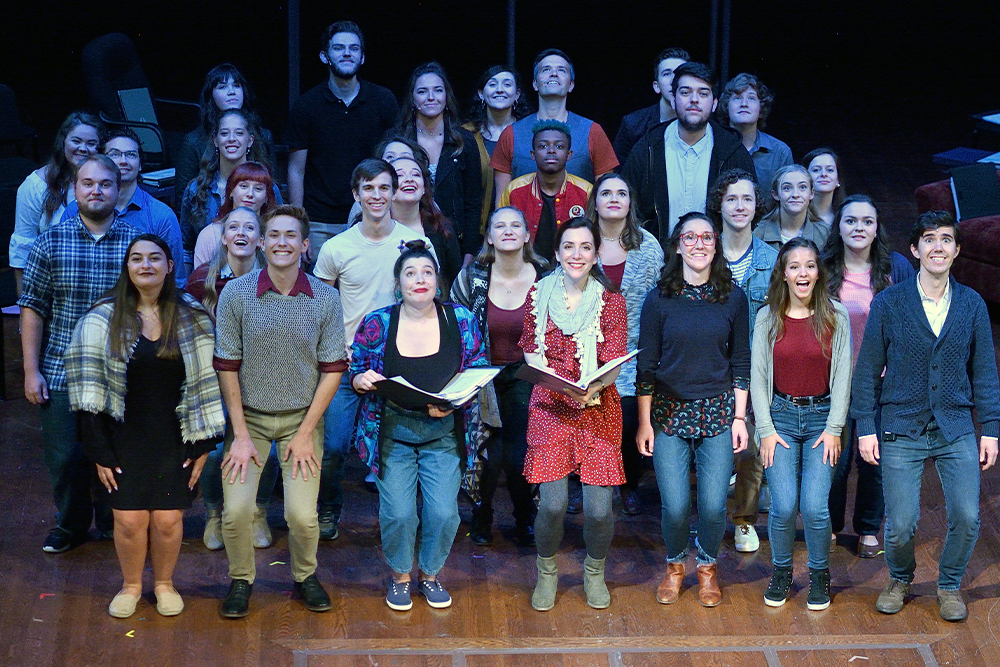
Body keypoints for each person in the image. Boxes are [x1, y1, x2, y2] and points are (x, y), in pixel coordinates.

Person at [65, 234, 224, 618]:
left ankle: (165, 584)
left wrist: (202, 445)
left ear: (170, 265)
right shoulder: (101, 317)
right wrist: (99, 450)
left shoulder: (193, 316)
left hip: (175, 434)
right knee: (129, 519)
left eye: (155, 258)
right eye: (136, 259)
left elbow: (209, 384)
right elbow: (86, 389)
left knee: (169, 520)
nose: (146, 265)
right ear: (127, 267)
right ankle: (131, 585)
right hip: (122, 436)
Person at [852, 211, 1000, 622]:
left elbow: (985, 371)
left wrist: (991, 428)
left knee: (968, 517)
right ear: (915, 250)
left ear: (956, 250)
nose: (938, 247)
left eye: (946, 240)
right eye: (929, 240)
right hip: (902, 425)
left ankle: (949, 584)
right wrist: (866, 426)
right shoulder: (889, 303)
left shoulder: (971, 305)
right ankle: (899, 578)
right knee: (900, 525)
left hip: (954, 426)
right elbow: (867, 372)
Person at [214, 205, 347, 618]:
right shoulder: (236, 294)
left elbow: (332, 370)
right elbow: (227, 366)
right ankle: (241, 579)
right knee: (235, 512)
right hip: (248, 418)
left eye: (291, 235)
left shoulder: (325, 298)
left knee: (302, 516)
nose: (281, 242)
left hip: (300, 420)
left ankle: (305, 575)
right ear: (261, 242)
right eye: (273, 235)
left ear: (305, 246)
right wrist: (238, 434)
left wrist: (307, 430)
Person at [351, 241, 487, 610]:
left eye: (427, 272)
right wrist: (360, 379)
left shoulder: (460, 320)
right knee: (398, 513)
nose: (419, 279)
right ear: (399, 284)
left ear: (438, 280)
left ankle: (429, 574)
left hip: (442, 434)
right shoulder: (378, 321)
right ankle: (400, 577)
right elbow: (356, 365)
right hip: (392, 433)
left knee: (444, 513)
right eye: (410, 274)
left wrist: (455, 401)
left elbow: (478, 368)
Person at [18, 155, 140, 553]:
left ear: (117, 188)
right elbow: (33, 307)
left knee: (115, 455)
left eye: (105, 184)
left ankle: (110, 523)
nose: (96, 190)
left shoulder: (135, 245)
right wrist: (30, 370)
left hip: (118, 371)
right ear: (75, 188)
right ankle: (69, 526)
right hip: (60, 369)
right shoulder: (50, 241)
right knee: (66, 458)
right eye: (87, 183)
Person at [313, 159, 434, 541]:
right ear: (356, 194)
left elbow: (431, 301)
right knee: (333, 447)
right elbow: (321, 306)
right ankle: (329, 509)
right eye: (368, 188)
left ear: (394, 191)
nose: (377, 196)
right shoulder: (336, 247)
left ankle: (399, 521)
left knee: (395, 450)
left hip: (400, 365)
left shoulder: (417, 244)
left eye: (384, 187)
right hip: (349, 365)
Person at [636, 212, 750, 608]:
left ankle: (707, 567)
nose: (698, 244)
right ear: (678, 244)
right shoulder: (659, 298)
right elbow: (645, 364)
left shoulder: (733, 297)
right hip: (668, 414)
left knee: (714, 504)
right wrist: (644, 423)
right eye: (690, 237)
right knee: (676, 505)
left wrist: (740, 417)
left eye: (706, 237)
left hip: (718, 412)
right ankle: (674, 566)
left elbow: (741, 362)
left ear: (716, 244)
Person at [519, 217, 628, 612]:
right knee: (551, 504)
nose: (577, 254)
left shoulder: (611, 301)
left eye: (585, 247)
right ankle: (547, 571)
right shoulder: (538, 295)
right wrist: (559, 386)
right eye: (569, 246)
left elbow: (615, 359)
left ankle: (594, 572)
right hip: (551, 405)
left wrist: (591, 389)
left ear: (596, 254)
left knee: (599, 509)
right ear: (557, 253)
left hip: (597, 406)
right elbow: (531, 349)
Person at [751, 238, 852, 611]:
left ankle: (819, 573)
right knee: (782, 506)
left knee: (813, 506)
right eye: (794, 266)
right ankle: (781, 571)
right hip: (779, 417)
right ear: (784, 273)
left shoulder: (835, 316)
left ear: (818, 272)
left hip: (821, 421)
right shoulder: (767, 317)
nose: (803, 273)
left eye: (809, 265)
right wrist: (765, 429)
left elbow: (843, 377)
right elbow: (758, 376)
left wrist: (834, 428)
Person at [822, 195, 914, 558]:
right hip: (836, 382)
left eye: (867, 222)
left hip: (883, 383)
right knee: (836, 461)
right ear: (839, 227)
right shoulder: (824, 268)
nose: (858, 228)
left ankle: (867, 530)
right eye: (850, 221)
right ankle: (828, 526)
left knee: (874, 460)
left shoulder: (897, 269)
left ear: (877, 229)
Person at [451, 206, 548, 546]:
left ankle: (525, 517)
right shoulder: (471, 277)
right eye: (499, 226)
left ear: (526, 235)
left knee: (521, 453)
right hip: (482, 376)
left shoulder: (546, 276)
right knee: (487, 455)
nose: (508, 230)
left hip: (529, 375)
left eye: (516, 225)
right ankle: (482, 513)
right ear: (489, 237)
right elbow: (456, 329)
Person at [186, 207, 278, 551]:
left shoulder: (274, 277)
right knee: (211, 454)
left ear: (261, 240)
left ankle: (257, 512)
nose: (241, 233)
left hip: (260, 378)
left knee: (265, 451)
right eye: (233, 227)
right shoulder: (200, 281)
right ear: (223, 238)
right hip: (211, 379)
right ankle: (214, 514)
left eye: (250, 228)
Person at [706, 169, 777, 554]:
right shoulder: (703, 252)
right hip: (710, 364)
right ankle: (710, 513)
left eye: (746, 199)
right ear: (720, 203)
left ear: (757, 206)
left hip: (757, 368)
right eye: (731, 198)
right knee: (713, 445)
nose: (739, 206)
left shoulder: (773, 259)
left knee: (751, 445)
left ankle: (745, 519)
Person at [587, 174, 664, 515]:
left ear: (631, 202)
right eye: (606, 193)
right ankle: (583, 482)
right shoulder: (581, 241)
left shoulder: (647, 245)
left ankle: (628, 483)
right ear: (596, 202)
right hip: (587, 353)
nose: (614, 199)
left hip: (635, 352)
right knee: (585, 415)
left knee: (631, 418)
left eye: (622, 192)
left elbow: (661, 298)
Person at [287, 20, 399, 249]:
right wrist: (298, 226)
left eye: (354, 48)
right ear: (324, 56)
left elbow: (394, 162)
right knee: (320, 285)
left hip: (372, 215)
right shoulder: (306, 105)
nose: (347, 53)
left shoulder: (384, 101)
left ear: (363, 57)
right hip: (319, 223)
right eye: (338, 48)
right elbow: (296, 170)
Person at [622, 62, 756, 245]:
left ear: (715, 103)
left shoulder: (732, 151)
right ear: (673, 100)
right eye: (685, 92)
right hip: (657, 263)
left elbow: (751, 211)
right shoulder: (647, 148)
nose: (694, 99)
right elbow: (627, 209)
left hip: (716, 262)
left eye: (703, 93)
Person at [61, 128, 187, 286]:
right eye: (114, 154)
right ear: (101, 161)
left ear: (140, 164)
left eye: (131, 155)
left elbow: (176, 281)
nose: (123, 161)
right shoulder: (75, 210)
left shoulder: (161, 216)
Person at [490, 49, 618, 199]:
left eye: (561, 70)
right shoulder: (511, 134)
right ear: (535, 84)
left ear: (571, 85)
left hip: (579, 221)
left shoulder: (593, 131)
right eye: (546, 69)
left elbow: (607, 195)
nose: (554, 74)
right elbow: (502, 200)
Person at [397, 62, 483, 260]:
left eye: (437, 90)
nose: (430, 97)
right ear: (412, 98)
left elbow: (473, 202)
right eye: (422, 91)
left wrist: (469, 253)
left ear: (446, 97)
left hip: (454, 242)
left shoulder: (464, 141)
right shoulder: (399, 140)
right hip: (405, 237)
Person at [10, 111, 103, 294]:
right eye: (76, 141)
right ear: (63, 142)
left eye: (91, 144)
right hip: (51, 286)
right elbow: (23, 248)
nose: (83, 149)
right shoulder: (35, 185)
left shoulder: (106, 187)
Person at [179, 109, 270, 272]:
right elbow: (186, 248)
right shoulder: (195, 190)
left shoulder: (266, 187)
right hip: (209, 280)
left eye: (239, 133)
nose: (232, 139)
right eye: (225, 133)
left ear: (250, 141)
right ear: (215, 140)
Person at [175, 64, 275, 208]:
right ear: (211, 95)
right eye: (222, 87)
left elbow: (272, 191)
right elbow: (183, 200)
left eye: (236, 85)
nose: (231, 92)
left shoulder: (263, 136)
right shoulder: (194, 141)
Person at [498, 120, 592, 260]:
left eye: (559, 146)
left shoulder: (586, 191)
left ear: (569, 154)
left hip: (573, 268)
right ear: (533, 154)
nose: (551, 150)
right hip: (524, 268)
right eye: (543, 146)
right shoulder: (514, 190)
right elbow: (499, 232)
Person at [464, 65, 532, 235]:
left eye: (507, 84)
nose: (500, 90)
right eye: (493, 84)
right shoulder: (464, 136)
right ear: (481, 93)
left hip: (521, 229)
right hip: (472, 230)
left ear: (517, 94)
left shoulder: (531, 134)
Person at [717, 73, 793, 203]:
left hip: (767, 223)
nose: (744, 104)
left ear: (761, 107)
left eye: (751, 98)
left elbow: (788, 200)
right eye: (737, 98)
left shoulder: (780, 152)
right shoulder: (712, 146)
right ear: (726, 106)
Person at [191, 161, 280, 268]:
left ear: (266, 197)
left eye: (258, 188)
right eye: (244, 186)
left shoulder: (278, 235)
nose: (250, 194)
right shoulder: (210, 235)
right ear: (231, 191)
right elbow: (200, 282)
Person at [390, 155, 463, 286]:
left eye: (416, 175)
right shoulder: (370, 227)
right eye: (400, 175)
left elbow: (452, 282)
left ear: (424, 187)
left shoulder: (442, 229)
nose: (409, 179)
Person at [613, 47, 690, 164]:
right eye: (666, 74)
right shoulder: (633, 124)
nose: (673, 80)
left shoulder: (706, 124)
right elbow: (619, 176)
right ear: (656, 86)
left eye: (680, 73)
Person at [753, 165, 829, 250]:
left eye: (802, 187)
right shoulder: (758, 232)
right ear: (776, 194)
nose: (795, 195)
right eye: (787, 188)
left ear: (811, 193)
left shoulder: (825, 234)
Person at [802, 148, 844, 227]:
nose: (823, 174)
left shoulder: (846, 216)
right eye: (816, 170)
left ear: (838, 179)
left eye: (830, 170)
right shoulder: (795, 215)